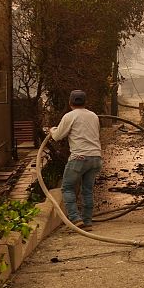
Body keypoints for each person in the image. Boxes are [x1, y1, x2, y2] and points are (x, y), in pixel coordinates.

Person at [50, 90, 102, 232]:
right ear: (85, 102)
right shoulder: (94, 116)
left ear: (70, 103)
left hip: (79, 158)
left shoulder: (70, 116)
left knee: (67, 188)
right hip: (96, 158)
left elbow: (57, 136)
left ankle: (75, 219)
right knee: (87, 190)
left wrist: (52, 130)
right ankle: (87, 221)